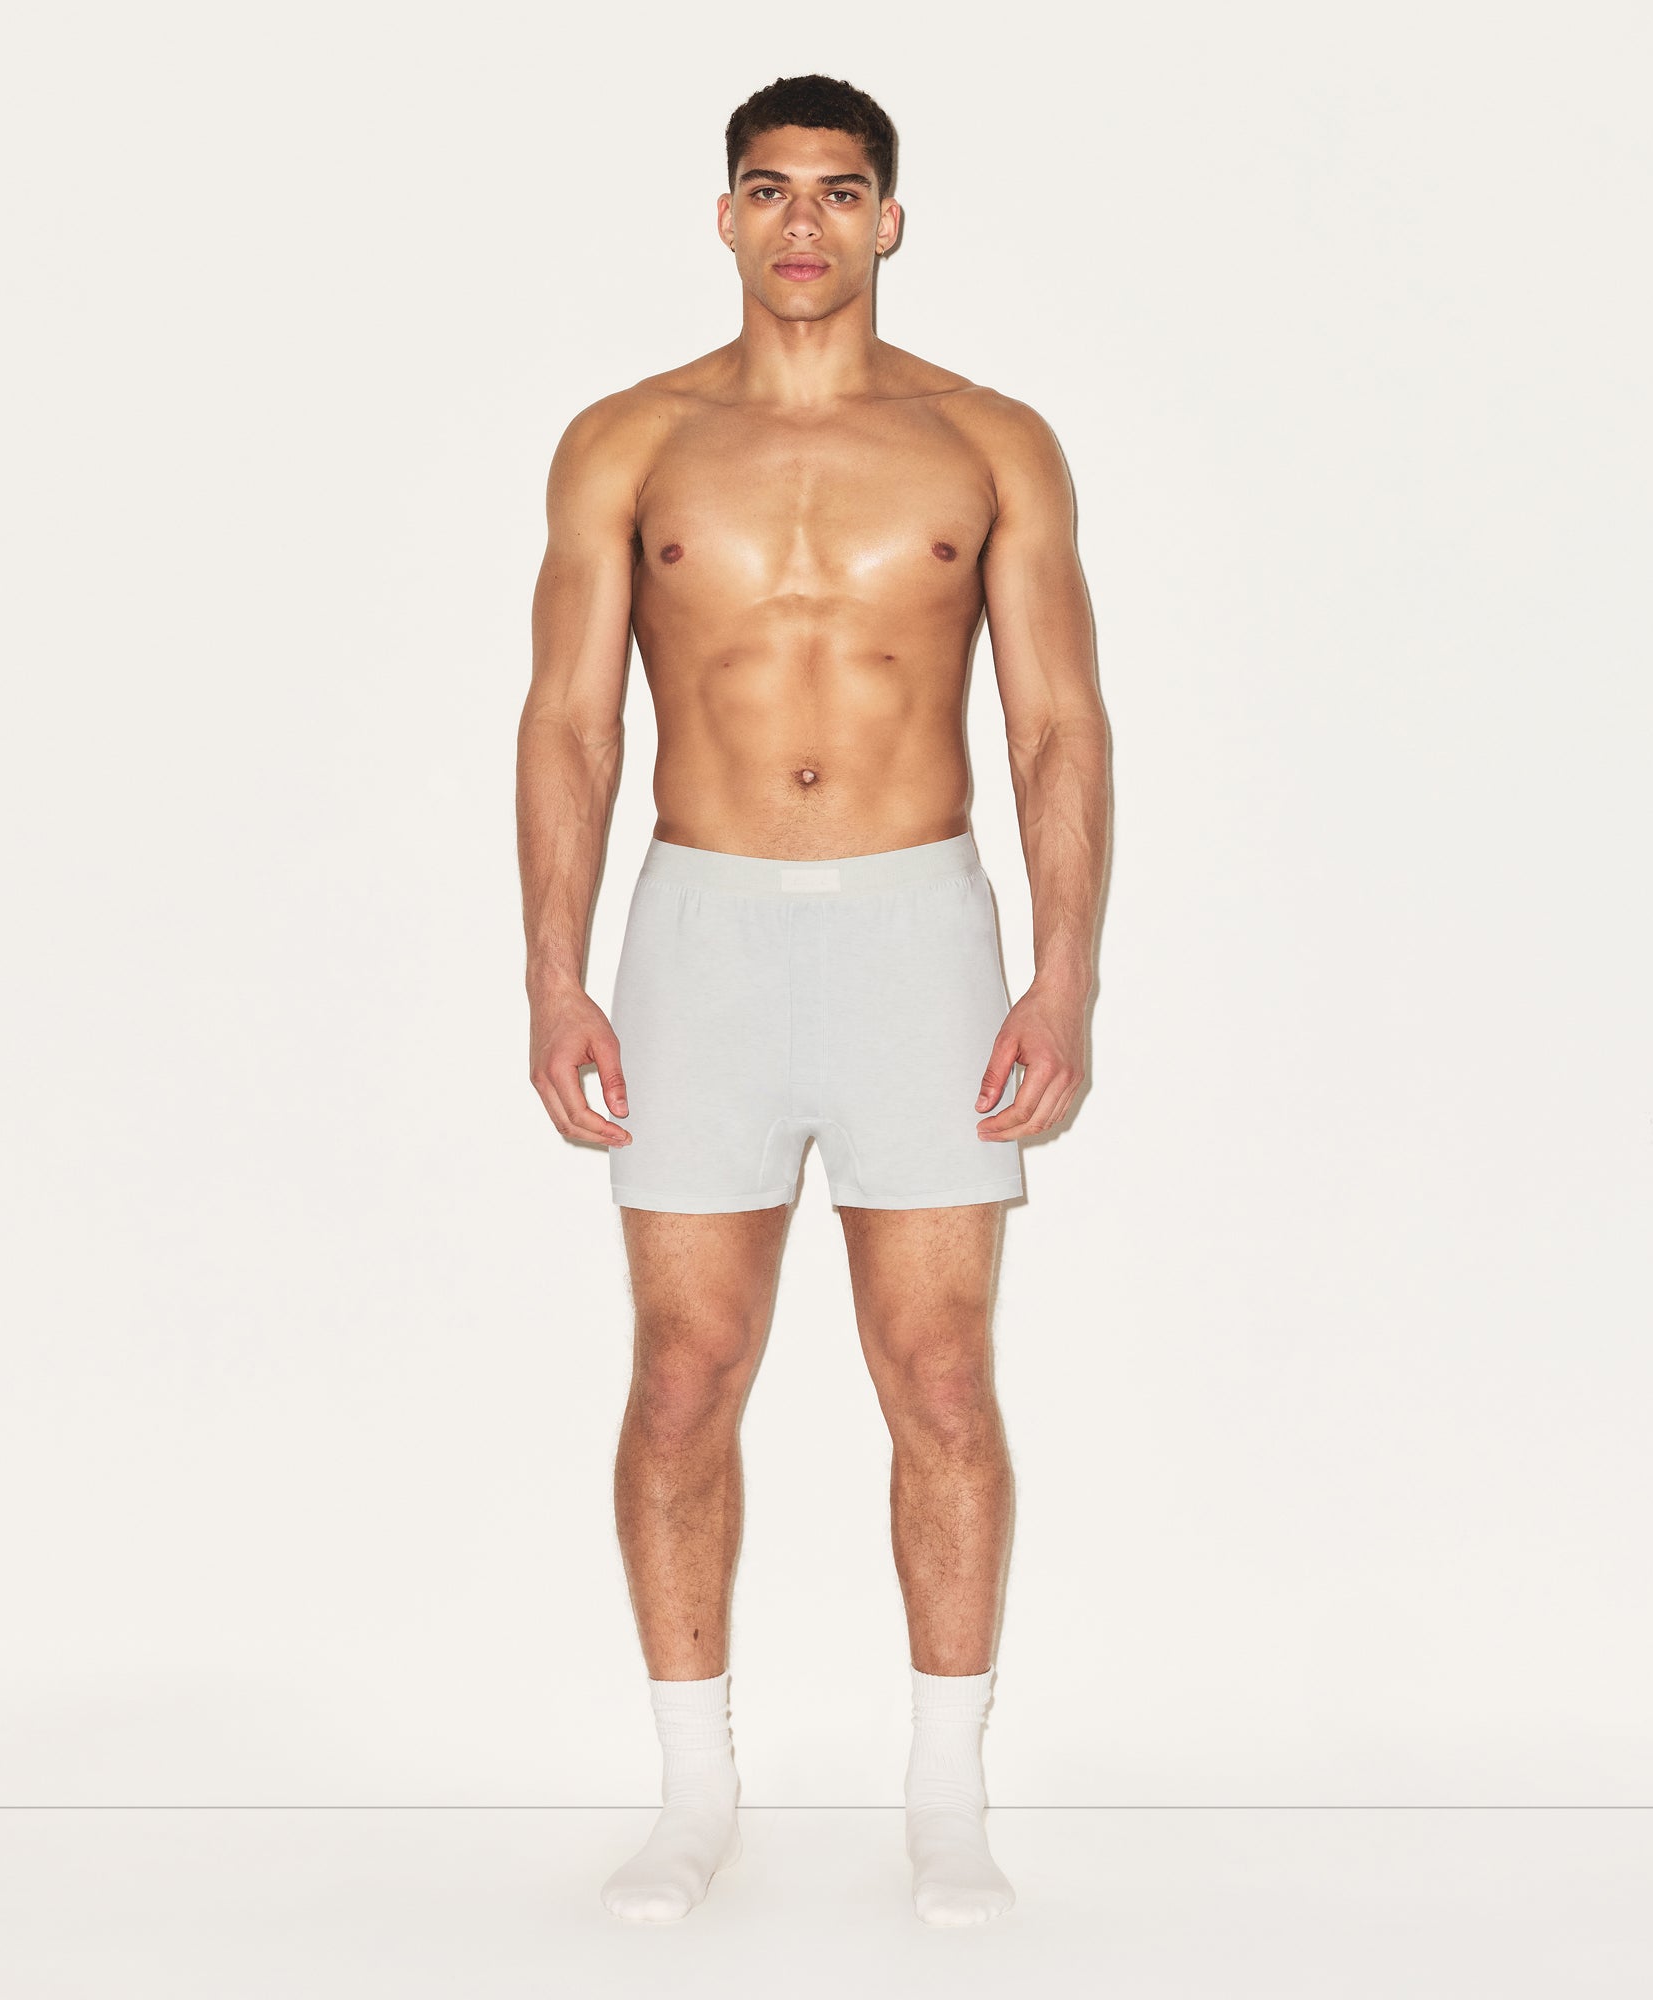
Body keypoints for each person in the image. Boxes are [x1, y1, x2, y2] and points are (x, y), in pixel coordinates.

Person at [515, 72, 1110, 1927]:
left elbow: (1057, 724)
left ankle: (948, 1798)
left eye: (840, 193)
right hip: (697, 930)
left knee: (938, 1373)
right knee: (684, 1374)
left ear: (889, 220)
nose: (803, 225)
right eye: (770, 190)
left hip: (917, 929)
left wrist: (1064, 973)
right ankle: (694, 1794)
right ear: (725, 215)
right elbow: (569, 720)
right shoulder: (628, 441)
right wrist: (553, 972)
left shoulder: (987, 440)